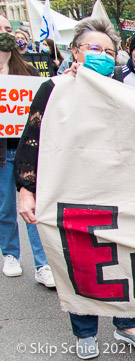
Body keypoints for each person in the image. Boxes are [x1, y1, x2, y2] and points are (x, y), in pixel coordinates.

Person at [15, 17, 135, 360]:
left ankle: (127, 326)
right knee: (80, 262)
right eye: (93, 48)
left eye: (108, 51)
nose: (101, 55)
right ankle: (85, 331)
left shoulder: (124, 90)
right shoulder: (54, 89)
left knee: (127, 260)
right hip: (72, 192)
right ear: (75, 52)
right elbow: (32, 141)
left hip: (119, 191)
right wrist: (26, 189)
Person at [0, 17, 53, 288]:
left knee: (32, 206)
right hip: (1, 151)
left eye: (8, 30)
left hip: (27, 150)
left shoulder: (30, 72)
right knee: (5, 208)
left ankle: (43, 263)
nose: (6, 35)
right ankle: (10, 254)